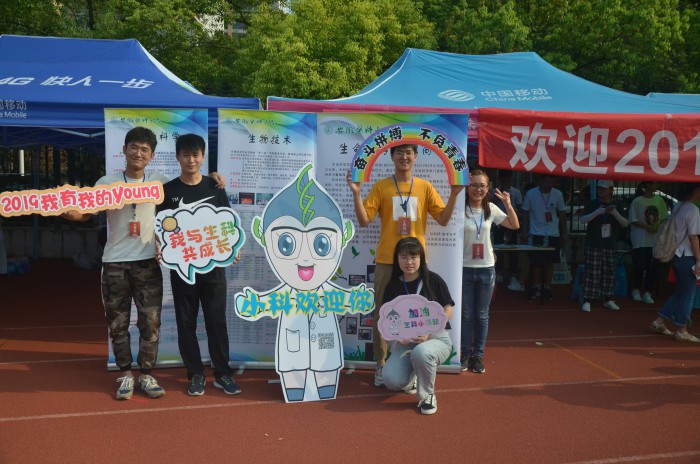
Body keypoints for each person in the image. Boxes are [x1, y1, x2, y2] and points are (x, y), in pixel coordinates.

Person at [61, 127, 225, 400]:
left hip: (148, 264)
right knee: (118, 324)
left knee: (151, 324)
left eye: (145, 149)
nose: (139, 153)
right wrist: (68, 213)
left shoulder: (160, 183)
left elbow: (189, 189)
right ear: (124, 150)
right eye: (134, 147)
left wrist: (214, 178)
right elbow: (85, 213)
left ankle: (146, 375)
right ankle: (126, 374)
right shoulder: (107, 183)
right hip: (114, 264)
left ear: (152, 156)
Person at [346, 144, 464, 387]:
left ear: (416, 156)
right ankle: (381, 364)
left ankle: (416, 362)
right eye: (399, 152)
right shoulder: (381, 186)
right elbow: (364, 220)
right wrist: (356, 193)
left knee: (418, 313)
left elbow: (443, 219)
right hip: (387, 261)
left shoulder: (425, 187)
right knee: (383, 313)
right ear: (391, 157)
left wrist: (454, 195)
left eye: (409, 152)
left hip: (415, 262)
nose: (404, 157)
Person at [156, 133, 241, 396]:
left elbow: (227, 222)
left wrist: (232, 247)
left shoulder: (215, 186)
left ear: (203, 157)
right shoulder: (168, 191)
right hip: (183, 271)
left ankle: (223, 374)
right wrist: (160, 247)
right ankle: (195, 374)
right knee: (186, 323)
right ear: (177, 157)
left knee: (217, 322)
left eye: (195, 155)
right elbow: (160, 228)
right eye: (185, 155)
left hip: (214, 270)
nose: (190, 160)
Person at [381, 237, 454, 415]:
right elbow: (388, 321)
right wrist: (398, 337)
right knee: (391, 380)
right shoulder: (393, 286)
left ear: (421, 258)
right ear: (397, 259)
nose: (409, 262)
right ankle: (413, 378)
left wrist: (430, 331)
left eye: (414, 257)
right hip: (407, 343)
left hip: (436, 338)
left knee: (422, 352)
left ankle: (427, 395)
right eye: (404, 257)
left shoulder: (433, 280)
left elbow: (448, 308)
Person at [461, 170, 519, 373]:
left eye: (482, 186)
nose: (477, 189)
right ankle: (465, 353)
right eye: (474, 185)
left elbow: (514, 225)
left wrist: (508, 204)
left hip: (486, 268)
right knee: (466, 314)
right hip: (464, 268)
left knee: (482, 314)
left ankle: (478, 355)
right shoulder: (460, 209)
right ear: (467, 187)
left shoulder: (491, 209)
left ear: (488, 188)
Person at [651, 183, 700, 342]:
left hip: (675, 253)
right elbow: (693, 237)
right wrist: (699, 260)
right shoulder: (693, 210)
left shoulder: (678, 205)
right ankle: (681, 329)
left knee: (681, 291)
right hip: (687, 255)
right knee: (688, 293)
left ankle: (660, 320)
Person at [579, 180, 628, 312]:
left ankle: (608, 298)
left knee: (609, 272)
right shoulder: (592, 204)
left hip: (610, 244)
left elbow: (625, 224)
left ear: (611, 190)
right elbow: (582, 220)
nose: (601, 190)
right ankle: (587, 299)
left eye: (604, 188)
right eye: (599, 188)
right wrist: (597, 212)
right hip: (594, 243)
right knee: (592, 272)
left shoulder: (617, 205)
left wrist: (614, 212)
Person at [520, 174, 568, 301]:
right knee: (536, 262)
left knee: (549, 262)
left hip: (553, 233)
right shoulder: (531, 193)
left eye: (552, 183)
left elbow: (562, 214)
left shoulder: (558, 194)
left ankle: (547, 287)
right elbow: (525, 213)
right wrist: (524, 231)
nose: (549, 185)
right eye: (547, 182)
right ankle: (535, 286)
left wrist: (564, 232)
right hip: (535, 233)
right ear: (540, 180)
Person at [628, 181, 668, 304]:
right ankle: (636, 289)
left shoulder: (659, 200)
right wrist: (647, 227)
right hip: (640, 241)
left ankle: (647, 292)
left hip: (655, 241)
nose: (656, 186)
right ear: (648, 185)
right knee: (640, 265)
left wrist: (657, 226)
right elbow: (633, 220)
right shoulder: (637, 201)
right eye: (654, 184)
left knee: (654, 266)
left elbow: (663, 218)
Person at [490, 170, 524, 291]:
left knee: (513, 251)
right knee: (498, 249)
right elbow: (489, 205)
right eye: (503, 181)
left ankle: (513, 275)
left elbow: (520, 209)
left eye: (508, 181)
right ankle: (498, 273)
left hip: (510, 223)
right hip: (497, 224)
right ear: (500, 180)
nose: (506, 183)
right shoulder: (494, 191)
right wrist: (497, 196)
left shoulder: (516, 192)